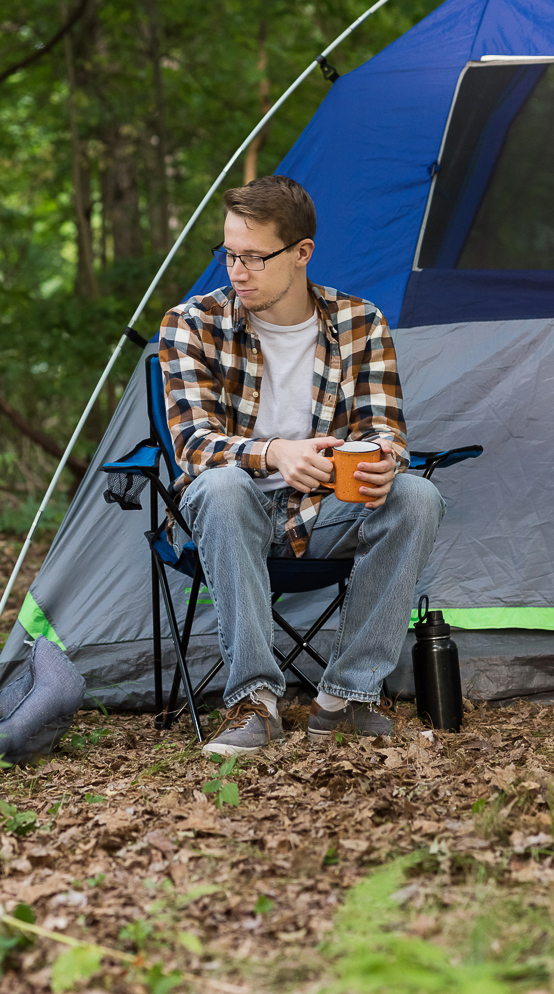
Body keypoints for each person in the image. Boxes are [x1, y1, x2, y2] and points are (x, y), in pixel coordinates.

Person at [159, 175, 444, 757]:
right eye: (228, 255)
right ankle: (255, 702)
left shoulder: (360, 322)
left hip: (324, 512)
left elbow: (384, 429)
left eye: (253, 258)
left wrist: (385, 460)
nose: (236, 272)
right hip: (231, 515)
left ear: (301, 254)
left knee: (417, 497)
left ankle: (345, 697)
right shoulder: (191, 323)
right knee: (221, 487)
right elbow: (193, 443)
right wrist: (274, 453)